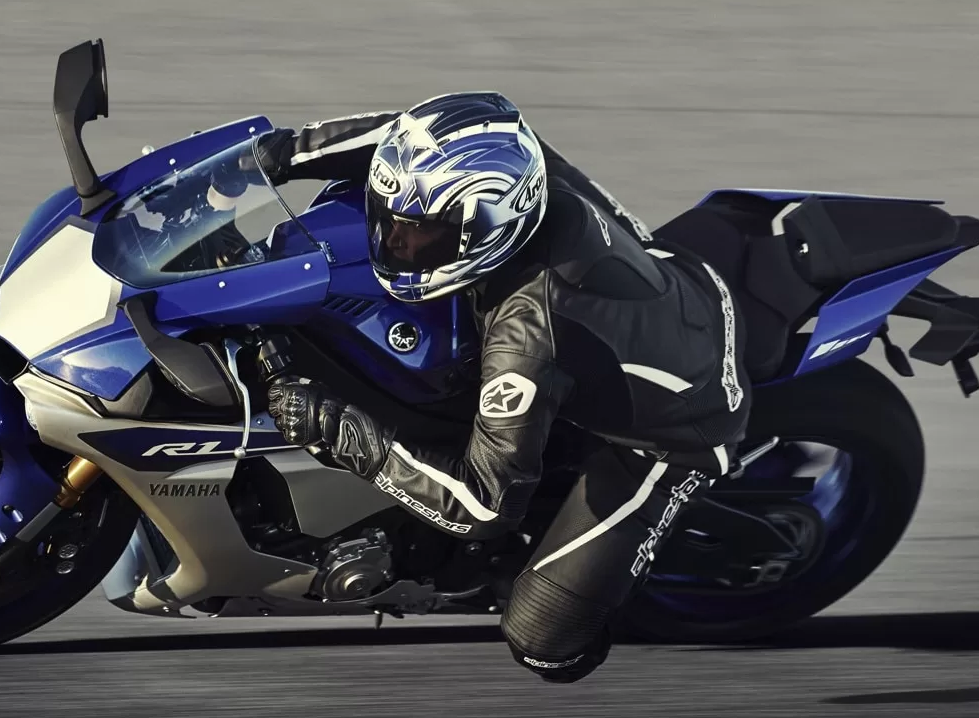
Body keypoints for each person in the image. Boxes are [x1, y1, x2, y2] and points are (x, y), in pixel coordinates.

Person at [256, 93, 751, 683]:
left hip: (677, 428)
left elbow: (485, 505)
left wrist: (341, 431)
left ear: (488, 228)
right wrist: (275, 154)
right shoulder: (514, 162)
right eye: (392, 222)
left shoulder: (527, 337)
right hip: (669, 280)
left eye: (423, 235)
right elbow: (397, 136)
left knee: (545, 645)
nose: (397, 243)